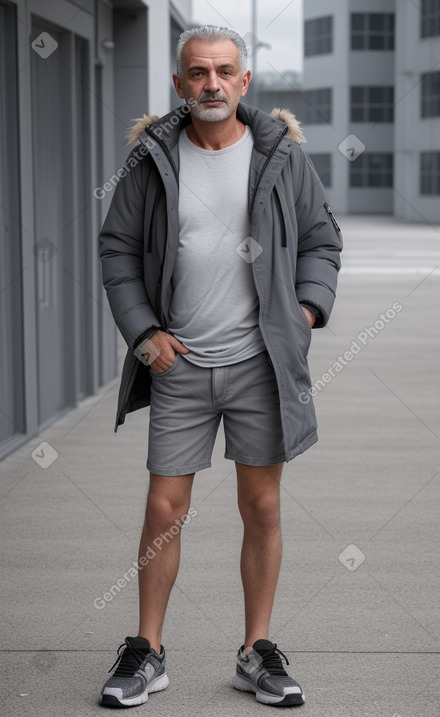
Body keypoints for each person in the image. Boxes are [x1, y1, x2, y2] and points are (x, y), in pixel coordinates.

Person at [98, 24, 342, 709]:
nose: (211, 83)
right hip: (179, 363)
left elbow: (323, 239)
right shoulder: (152, 158)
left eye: (224, 71)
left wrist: (305, 314)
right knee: (163, 508)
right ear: (179, 85)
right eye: (198, 73)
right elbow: (117, 249)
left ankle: (255, 651)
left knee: (261, 505)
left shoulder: (283, 158)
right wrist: (145, 332)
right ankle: (146, 650)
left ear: (244, 81)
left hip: (262, 364)